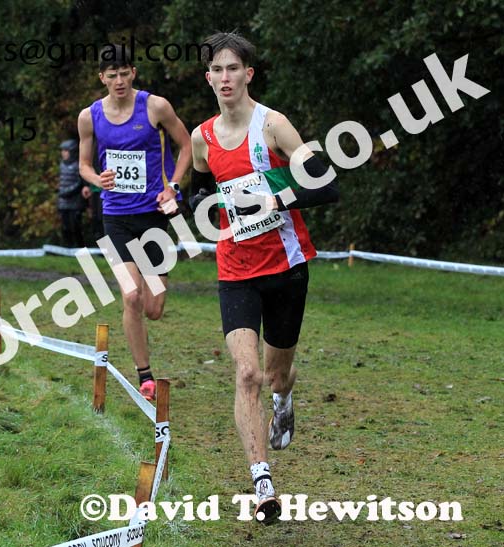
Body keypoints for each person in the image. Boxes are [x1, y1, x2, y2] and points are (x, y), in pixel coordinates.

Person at [190, 32, 339, 524]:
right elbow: (200, 192)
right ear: (208, 77)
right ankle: (262, 482)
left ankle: (285, 397)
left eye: (233, 68)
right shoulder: (202, 137)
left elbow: (326, 184)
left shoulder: (273, 125)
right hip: (235, 270)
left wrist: (277, 198)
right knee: (247, 373)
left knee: (276, 373)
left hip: (286, 268)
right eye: (217, 70)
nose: (225, 78)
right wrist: (198, 205)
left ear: (248, 74)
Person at [77, 46, 192, 400]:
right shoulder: (89, 116)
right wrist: (97, 179)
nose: (119, 81)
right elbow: (84, 165)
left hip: (154, 217)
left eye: (124, 73)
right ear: (102, 78)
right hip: (115, 217)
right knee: (131, 296)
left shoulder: (155, 106)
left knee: (153, 308)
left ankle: (145, 305)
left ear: (133, 73)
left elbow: (186, 145)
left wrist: (173, 187)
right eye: (112, 75)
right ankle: (145, 376)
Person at [57, 139, 86, 248]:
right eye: (62, 151)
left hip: (75, 201)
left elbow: (80, 183)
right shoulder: (62, 165)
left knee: (76, 226)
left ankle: (80, 247)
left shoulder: (78, 165)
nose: (63, 153)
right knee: (65, 227)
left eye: (66, 151)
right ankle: (67, 247)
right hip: (63, 201)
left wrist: (67, 192)